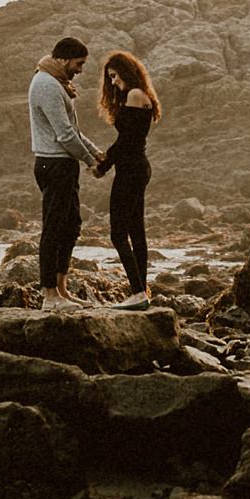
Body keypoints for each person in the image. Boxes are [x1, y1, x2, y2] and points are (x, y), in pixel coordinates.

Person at [28, 35, 104, 307]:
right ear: (62, 59)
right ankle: (49, 295)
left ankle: (61, 290)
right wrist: (89, 161)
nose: (81, 70)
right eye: (78, 63)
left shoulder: (58, 83)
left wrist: (95, 152)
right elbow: (64, 134)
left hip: (63, 162)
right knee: (54, 228)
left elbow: (73, 131)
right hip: (54, 163)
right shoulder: (46, 85)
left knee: (71, 225)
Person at [92, 49, 161, 306]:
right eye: (109, 78)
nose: (112, 82)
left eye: (114, 75)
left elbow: (126, 140)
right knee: (136, 232)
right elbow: (129, 140)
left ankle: (138, 292)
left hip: (130, 170)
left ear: (126, 71)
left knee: (118, 234)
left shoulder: (134, 95)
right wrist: (108, 158)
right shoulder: (140, 95)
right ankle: (141, 291)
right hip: (136, 168)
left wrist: (104, 166)